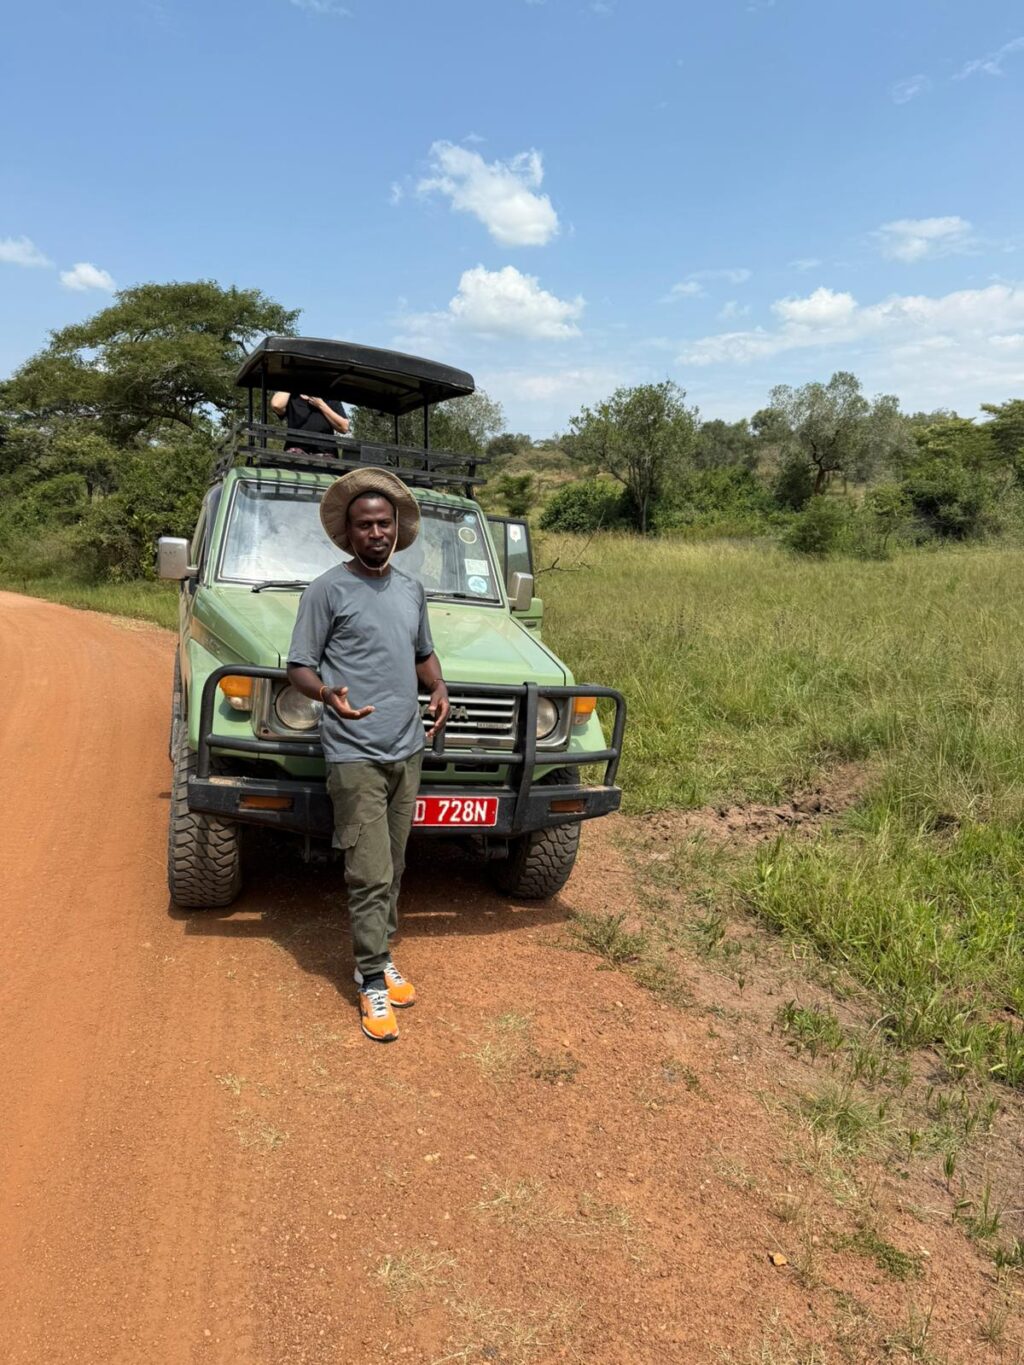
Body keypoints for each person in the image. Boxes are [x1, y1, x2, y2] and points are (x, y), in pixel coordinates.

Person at [286, 468, 449, 1043]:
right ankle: (371, 978)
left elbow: (422, 652)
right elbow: (299, 666)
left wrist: (439, 687)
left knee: (396, 865)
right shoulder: (327, 590)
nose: (376, 532)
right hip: (354, 753)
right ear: (348, 533)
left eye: (384, 523)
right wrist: (327, 693)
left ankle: (378, 955)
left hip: (408, 749)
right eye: (364, 525)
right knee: (368, 870)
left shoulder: (409, 589)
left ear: (397, 528)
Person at [270, 390, 350, 455]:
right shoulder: (292, 398)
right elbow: (276, 405)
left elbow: (344, 427)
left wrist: (321, 405)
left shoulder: (330, 399)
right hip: (295, 453)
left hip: (325, 455)